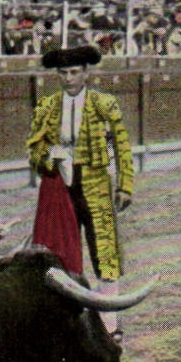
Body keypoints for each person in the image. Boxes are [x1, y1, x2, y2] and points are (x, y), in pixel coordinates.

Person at [26, 44, 134, 333]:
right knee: (61, 252)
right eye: (63, 73)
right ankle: (67, 325)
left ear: (86, 73)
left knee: (105, 252)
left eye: (74, 72)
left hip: (96, 186)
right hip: (61, 189)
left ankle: (110, 326)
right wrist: (50, 157)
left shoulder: (104, 103)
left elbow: (122, 146)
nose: (69, 78)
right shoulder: (47, 107)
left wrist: (125, 185)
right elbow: (34, 151)